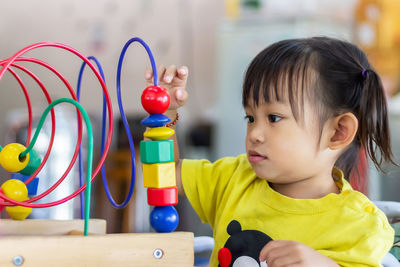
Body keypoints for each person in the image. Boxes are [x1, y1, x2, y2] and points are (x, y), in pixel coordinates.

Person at [145, 37, 396, 267]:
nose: (254, 133)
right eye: (251, 117)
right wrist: (163, 116)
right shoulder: (233, 178)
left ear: (338, 132)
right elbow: (165, 176)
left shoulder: (360, 224)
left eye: (274, 117)